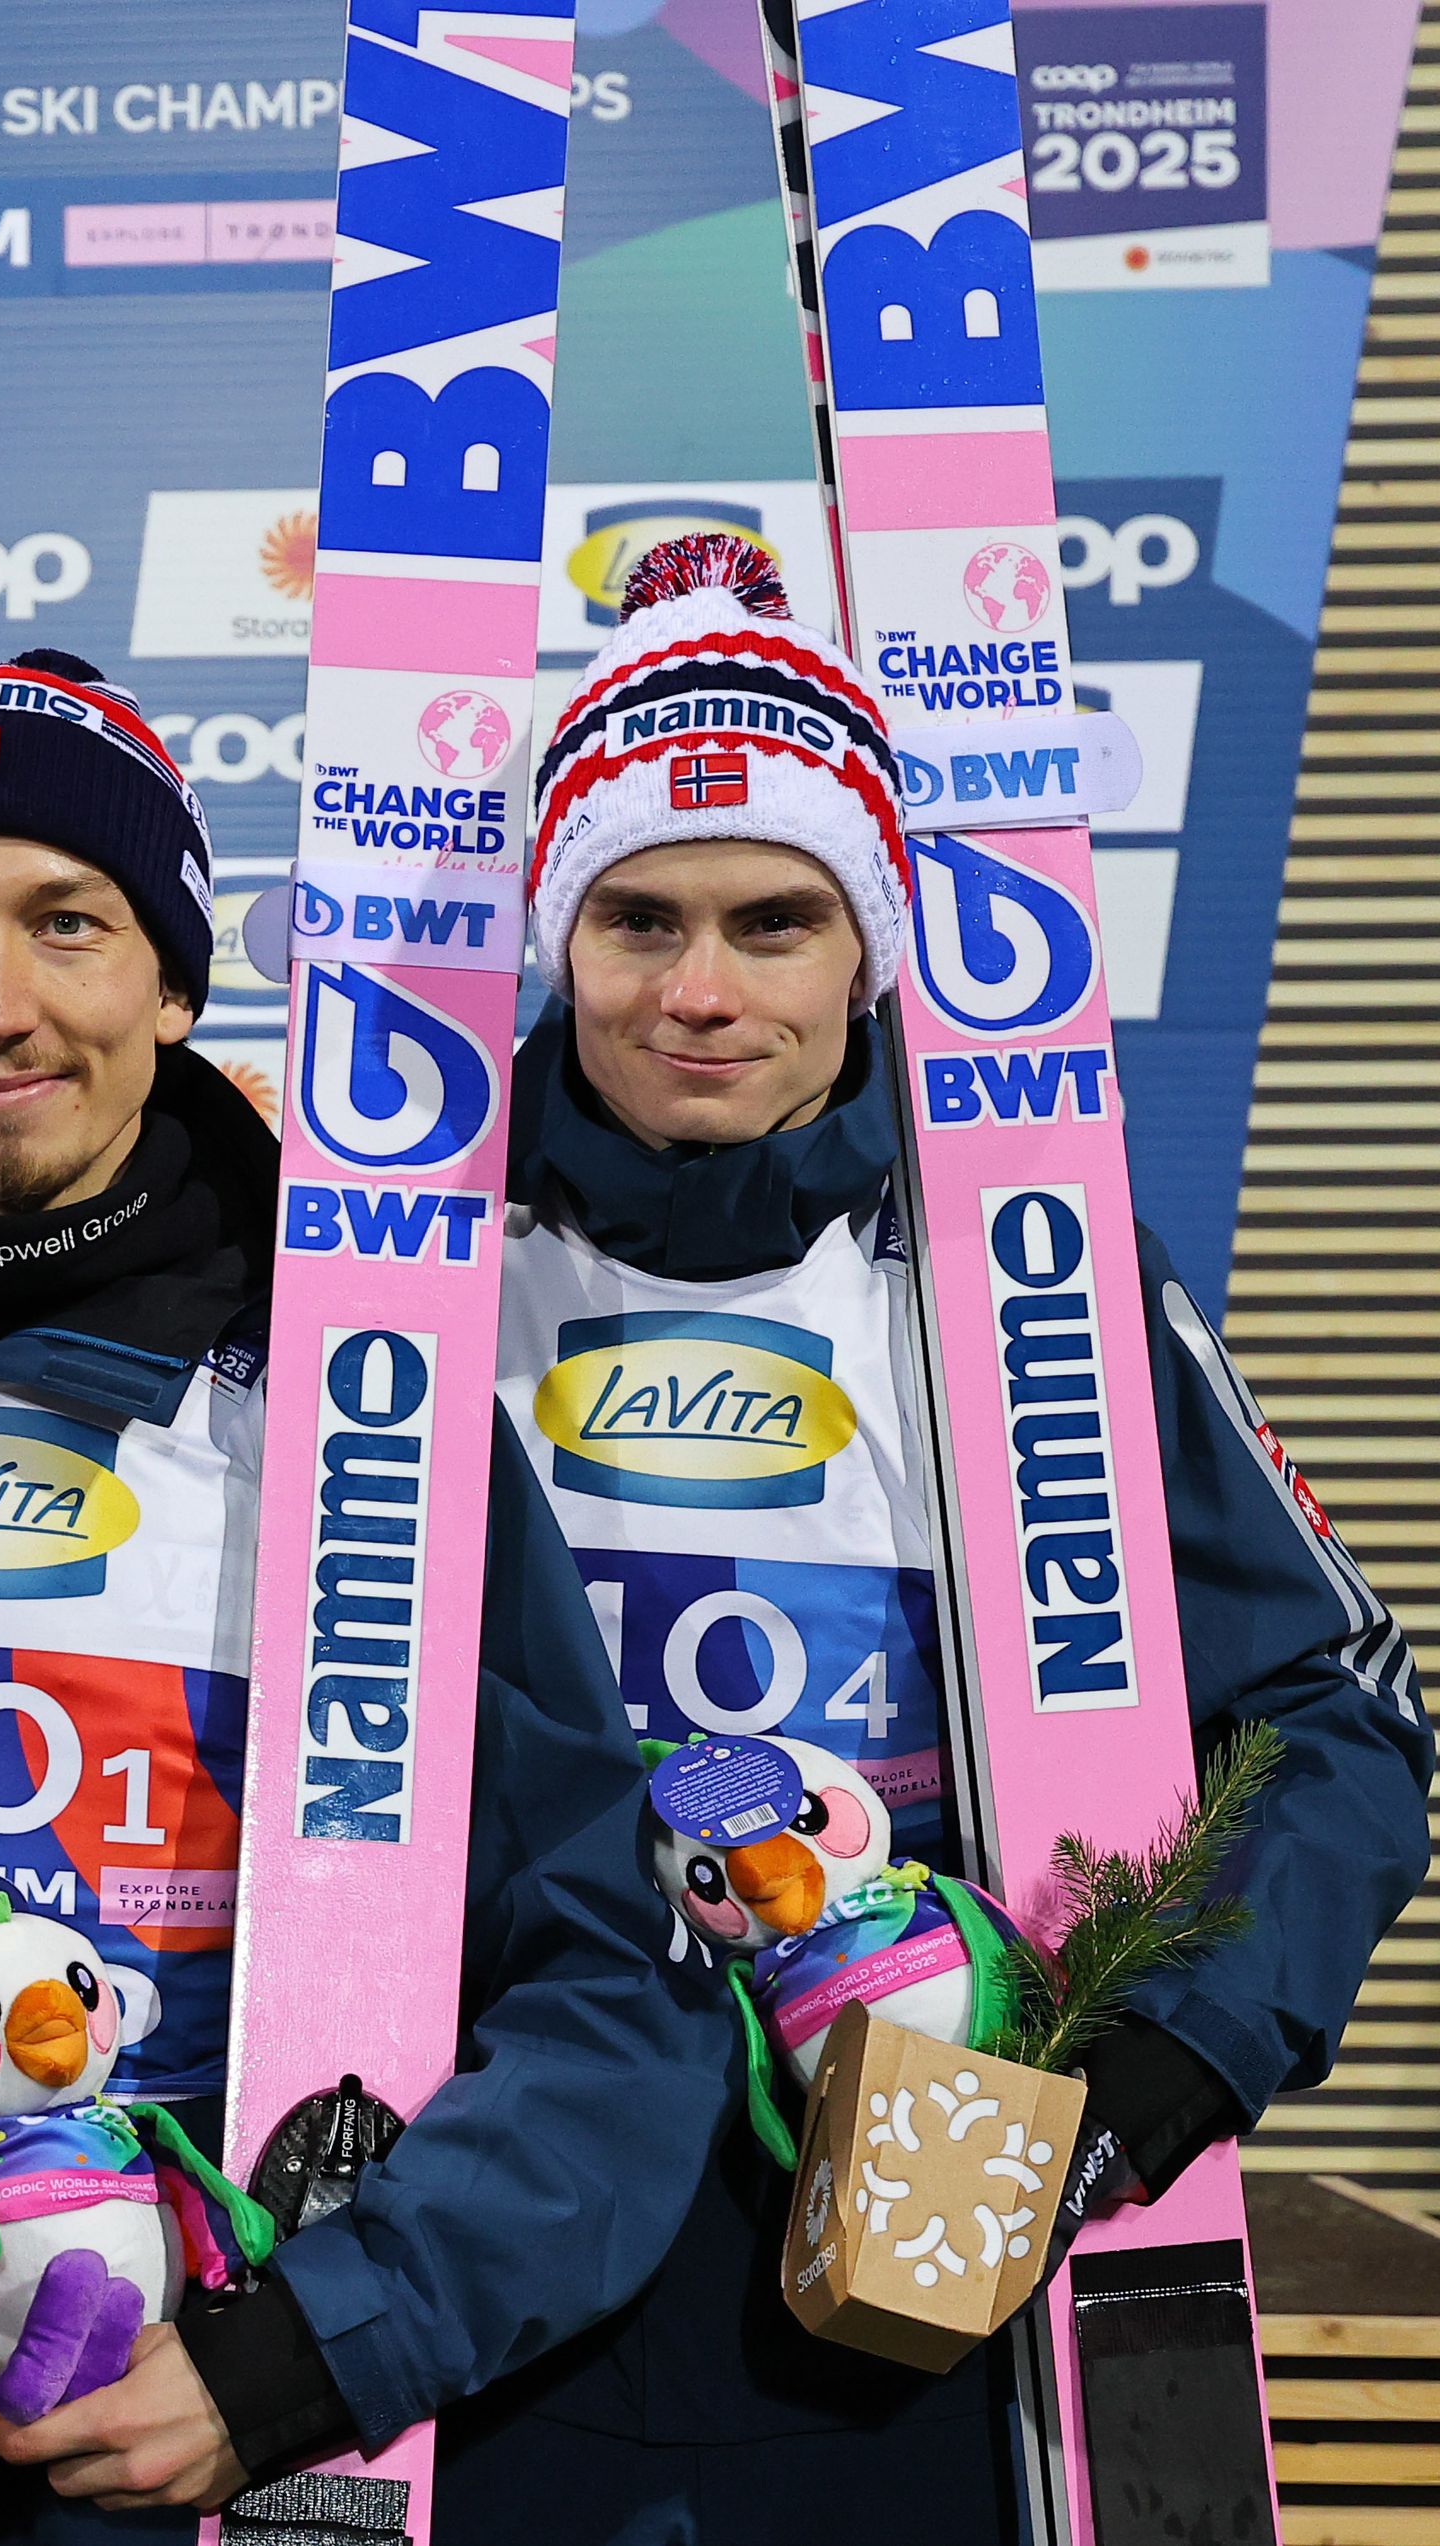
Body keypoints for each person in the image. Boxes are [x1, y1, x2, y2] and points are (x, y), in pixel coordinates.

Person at [0, 649, 732, 2538]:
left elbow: (611, 1954)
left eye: (66, 924)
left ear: (175, 982)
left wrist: (315, 2354)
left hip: (175, 2408)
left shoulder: (361, 1388)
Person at [435, 538, 1432, 2536]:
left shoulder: (1029, 1277)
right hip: (488, 2249)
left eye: (770, 921)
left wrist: (1138, 2076)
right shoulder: (390, 1282)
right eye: (634, 917)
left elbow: (1330, 1715)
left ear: (868, 945)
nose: (697, 990)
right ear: (552, 935)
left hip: (917, 2253)